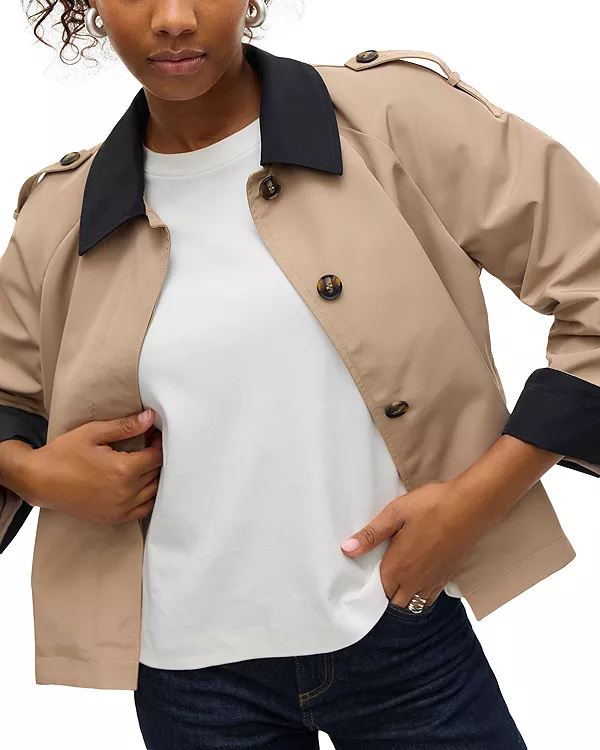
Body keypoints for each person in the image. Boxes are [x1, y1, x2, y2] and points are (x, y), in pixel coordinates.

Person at [2, 0, 600, 748]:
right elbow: (9, 397)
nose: (174, 18)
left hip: (404, 628)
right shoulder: (61, 215)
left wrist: (474, 503)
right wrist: (29, 472)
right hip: (189, 679)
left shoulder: (396, 122)